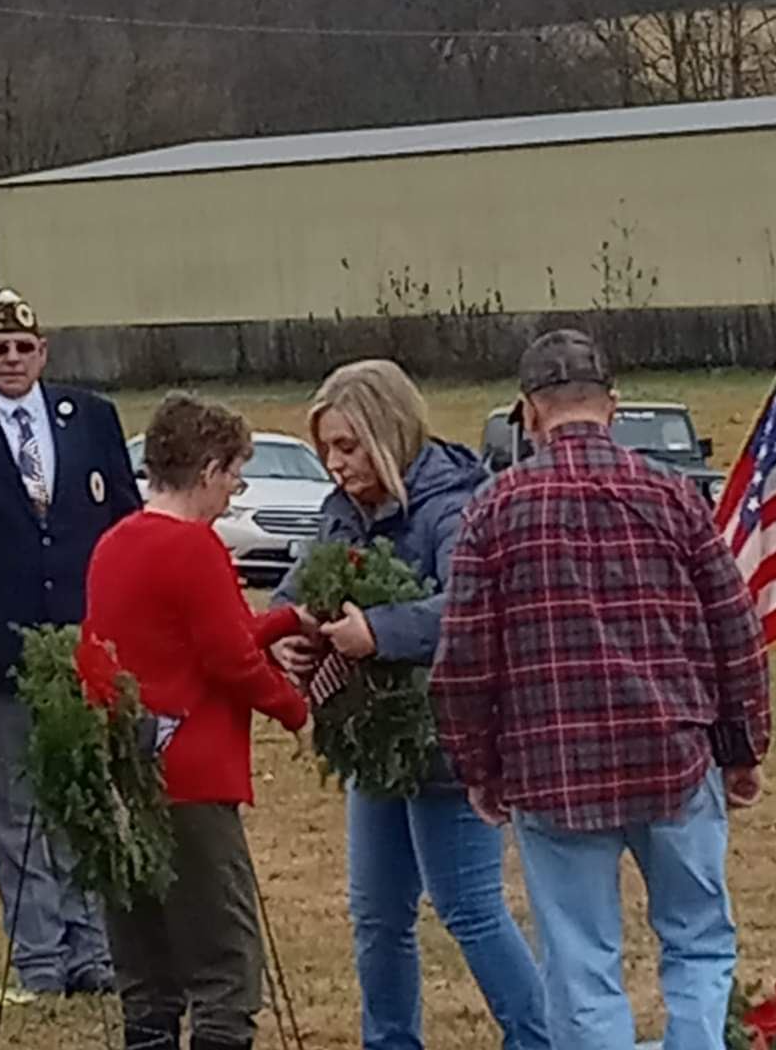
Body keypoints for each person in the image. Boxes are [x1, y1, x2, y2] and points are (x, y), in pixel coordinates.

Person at [431, 329, 772, 1050]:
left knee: (581, 967)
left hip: (553, 773)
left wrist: (479, 768)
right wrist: (743, 748)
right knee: (699, 942)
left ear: (529, 413)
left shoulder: (493, 511)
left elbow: (462, 660)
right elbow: (733, 631)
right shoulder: (674, 498)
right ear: (611, 408)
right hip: (674, 757)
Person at [271, 359, 549, 1050]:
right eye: (328, 449)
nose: (336, 464)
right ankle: (389, 1042)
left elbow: (471, 604)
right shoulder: (343, 514)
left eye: (348, 445)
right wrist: (286, 637)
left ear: (388, 432)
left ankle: (540, 1038)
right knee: (375, 914)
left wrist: (380, 633)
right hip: (376, 749)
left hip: (449, 737)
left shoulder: (454, 505)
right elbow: (289, 593)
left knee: (468, 907)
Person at [82, 392, 310, 1050]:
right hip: (192, 778)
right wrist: (293, 711)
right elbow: (231, 659)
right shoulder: (194, 547)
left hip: (127, 772)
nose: (235, 490)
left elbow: (196, 634)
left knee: (146, 964)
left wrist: (290, 619)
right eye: (235, 473)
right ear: (209, 469)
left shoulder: (114, 542)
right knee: (224, 964)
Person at [0, 288, 141, 997]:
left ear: (43, 352)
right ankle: (41, 957)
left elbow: (125, 522)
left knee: (84, 796)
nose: (13, 360)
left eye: (25, 348)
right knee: (15, 805)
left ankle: (93, 949)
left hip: (85, 647)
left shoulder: (90, 418)